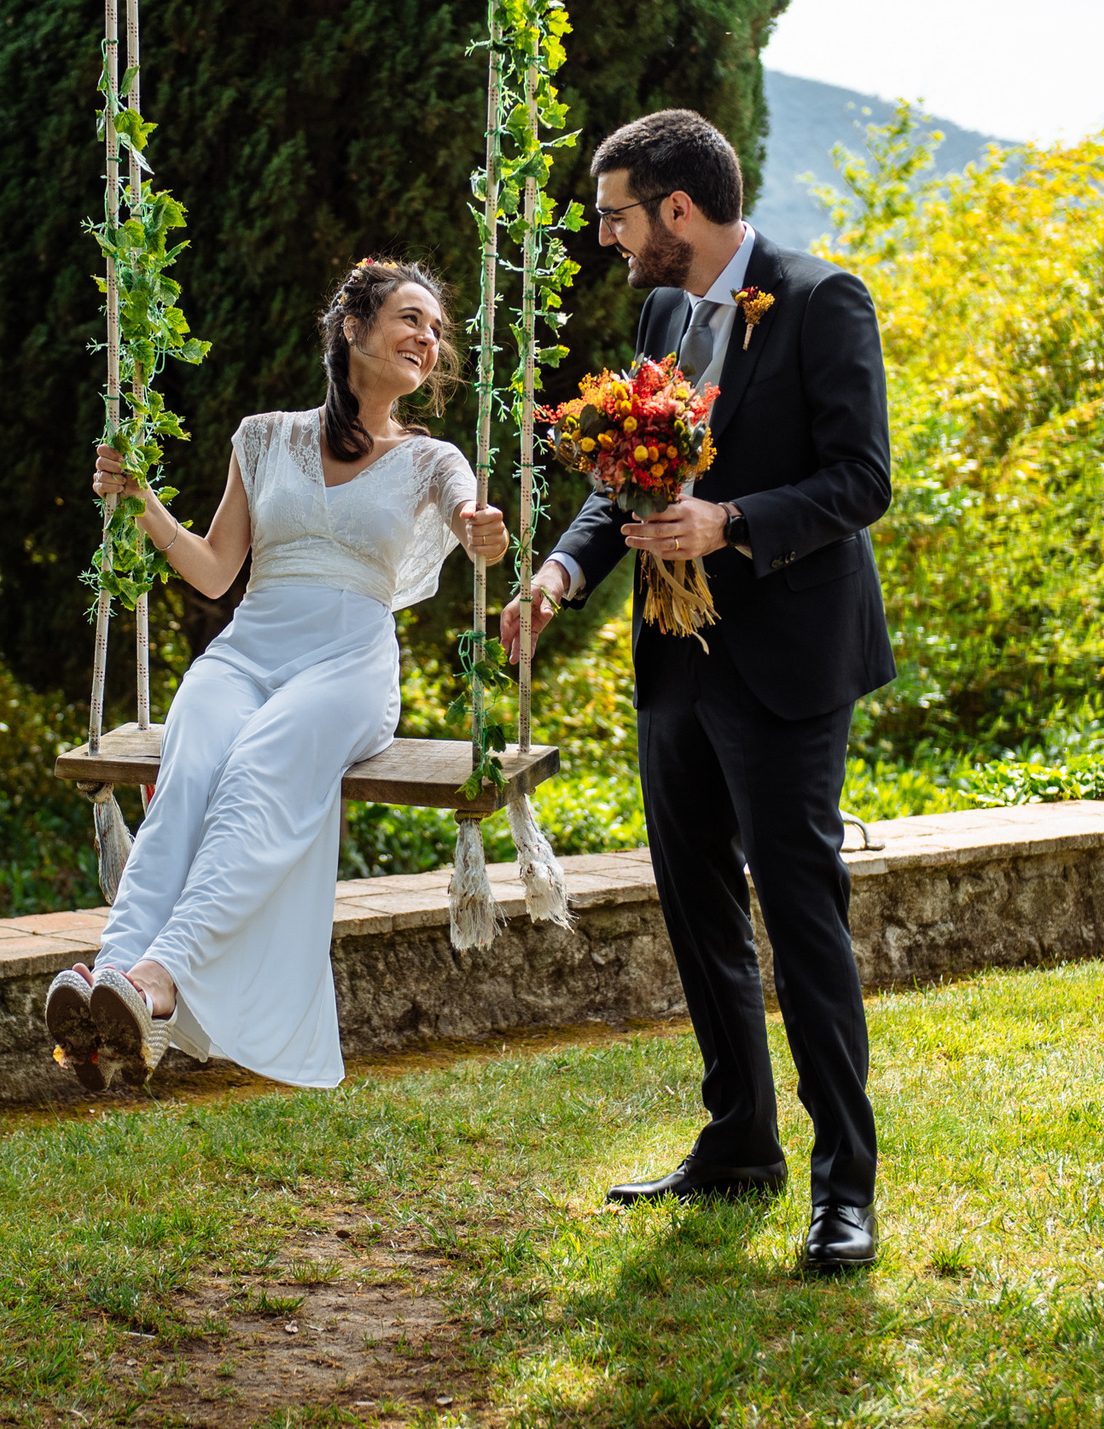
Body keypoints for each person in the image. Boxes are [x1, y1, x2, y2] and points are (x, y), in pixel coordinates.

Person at [502, 109, 895, 1270]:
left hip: (786, 662)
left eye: (618, 216)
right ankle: (738, 1141)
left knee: (799, 909)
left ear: (677, 209)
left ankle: (844, 1186)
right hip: (675, 663)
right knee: (696, 905)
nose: (610, 239)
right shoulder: (663, 310)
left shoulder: (825, 299)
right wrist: (565, 566)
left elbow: (860, 480)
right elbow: (626, 474)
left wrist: (728, 521)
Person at [47, 258, 509, 1092]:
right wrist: (142, 503)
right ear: (353, 327)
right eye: (411, 318)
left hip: (347, 665)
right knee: (189, 767)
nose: (427, 339)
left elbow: (468, 509)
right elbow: (218, 571)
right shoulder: (263, 437)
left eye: (436, 331)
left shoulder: (434, 459)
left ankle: (162, 977)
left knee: (260, 766)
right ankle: (108, 980)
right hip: (249, 647)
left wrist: (483, 532)